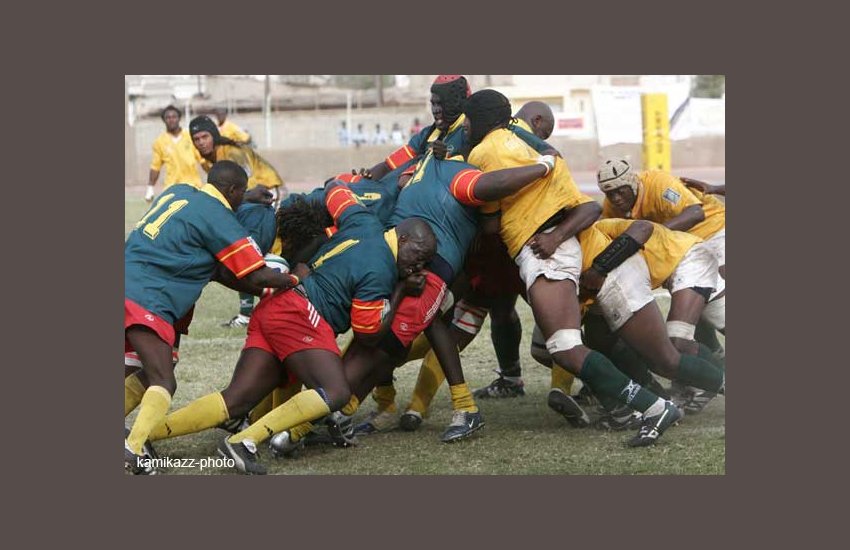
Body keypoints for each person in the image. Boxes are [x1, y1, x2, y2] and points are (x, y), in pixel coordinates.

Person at [139, 184, 437, 474]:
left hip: (277, 306)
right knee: (336, 392)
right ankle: (243, 442)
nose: (419, 266)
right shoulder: (382, 269)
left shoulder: (364, 220)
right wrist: (400, 292)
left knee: (237, 399)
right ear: (403, 238)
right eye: (419, 255)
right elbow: (367, 333)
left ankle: (142, 437)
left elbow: (335, 188)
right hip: (301, 315)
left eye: (425, 262)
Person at [462, 89, 681, 447]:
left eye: (468, 120)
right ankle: (639, 405)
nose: (465, 127)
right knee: (576, 345)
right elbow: (585, 207)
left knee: (564, 347)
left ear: (480, 119)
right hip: (566, 245)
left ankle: (654, 406)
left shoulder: (482, 153)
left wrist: (547, 236)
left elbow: (489, 225)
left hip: (543, 249)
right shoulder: (546, 152)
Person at [124, 160, 300, 474]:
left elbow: (218, 266)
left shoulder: (180, 191)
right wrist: (295, 279)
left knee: (147, 370)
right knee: (163, 380)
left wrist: (245, 196)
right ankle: (132, 449)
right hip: (148, 295)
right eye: (241, 192)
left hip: (130, 281)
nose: (242, 198)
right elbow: (258, 275)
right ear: (231, 191)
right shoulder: (219, 218)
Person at [598, 159, 726, 409]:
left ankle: (705, 378)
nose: (616, 198)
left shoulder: (658, 183)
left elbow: (696, 213)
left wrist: (652, 234)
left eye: (620, 191)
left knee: (678, 338)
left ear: (633, 182)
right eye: (609, 193)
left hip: (712, 233)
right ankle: (708, 372)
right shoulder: (610, 208)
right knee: (693, 324)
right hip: (678, 252)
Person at [189, 115, 288, 328]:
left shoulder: (231, 153)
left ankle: (280, 305)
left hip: (267, 194)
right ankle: (249, 314)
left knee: (249, 249)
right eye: (196, 139)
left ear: (214, 135)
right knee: (242, 248)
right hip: (250, 198)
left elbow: (245, 188)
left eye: (205, 136)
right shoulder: (209, 159)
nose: (201, 142)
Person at [145, 105, 202, 202]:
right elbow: (155, 167)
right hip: (172, 189)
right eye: (168, 117)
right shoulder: (159, 142)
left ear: (179, 118)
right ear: (164, 120)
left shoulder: (190, 137)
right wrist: (150, 188)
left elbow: (203, 160)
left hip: (193, 187)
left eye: (174, 117)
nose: (171, 120)